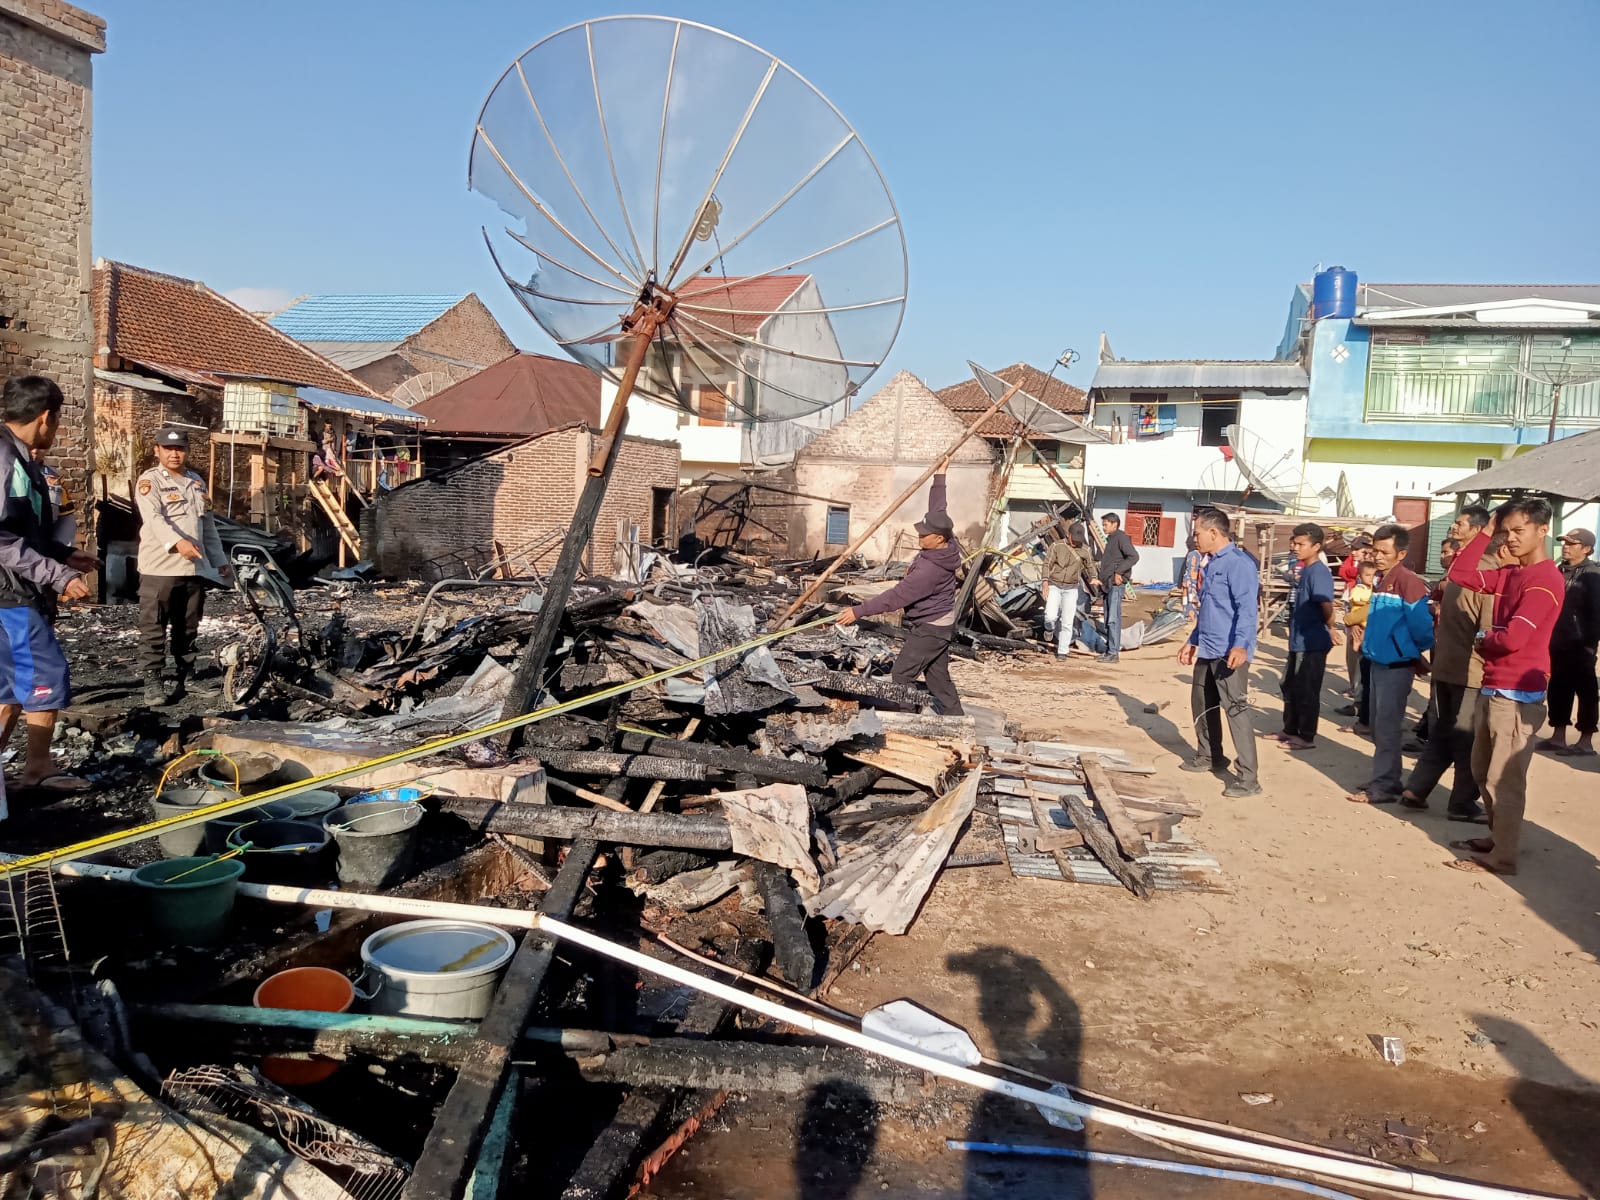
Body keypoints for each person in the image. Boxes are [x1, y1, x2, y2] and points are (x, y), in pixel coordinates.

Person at [1440, 499, 1564, 875]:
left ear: (1542, 530)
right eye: (1505, 531)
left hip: (1516, 693)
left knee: (1503, 779)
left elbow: (1514, 639)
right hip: (1494, 687)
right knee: (1482, 771)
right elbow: (1460, 574)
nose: (1509, 539)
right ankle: (1498, 838)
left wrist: (1484, 637)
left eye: (1518, 531)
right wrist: (1486, 533)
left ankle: (1504, 856)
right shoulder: (1511, 575)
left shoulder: (1544, 579)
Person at [0, 376, 97, 811]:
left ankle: (32, 765)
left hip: (16, 590)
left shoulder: (18, 460)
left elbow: (25, 531)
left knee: (7, 685)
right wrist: (56, 575)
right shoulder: (5, 462)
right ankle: (37, 766)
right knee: (44, 675)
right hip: (12, 594)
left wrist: (65, 553)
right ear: (46, 418)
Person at [837, 459, 963, 715]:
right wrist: (940, 476)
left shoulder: (929, 571)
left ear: (938, 538)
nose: (919, 536)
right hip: (940, 623)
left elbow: (897, 597)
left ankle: (907, 718)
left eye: (923, 535)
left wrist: (858, 611)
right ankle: (956, 718)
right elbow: (938, 508)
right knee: (938, 678)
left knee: (901, 674)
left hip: (931, 627)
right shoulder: (946, 542)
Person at [1399, 518, 1496, 820]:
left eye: (1461, 523)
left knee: (1442, 733)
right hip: (1470, 671)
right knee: (1468, 739)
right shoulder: (1487, 574)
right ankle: (1462, 802)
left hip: (1446, 666)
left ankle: (1417, 788)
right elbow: (1489, 632)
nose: (1454, 527)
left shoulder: (1458, 571)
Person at [135, 425, 230, 707]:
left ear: (186, 451)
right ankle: (153, 681)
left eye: (179, 449)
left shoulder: (196, 482)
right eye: (168, 449)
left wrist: (220, 560)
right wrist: (177, 543)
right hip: (160, 567)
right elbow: (153, 519)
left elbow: (208, 526)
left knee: (188, 626)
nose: (174, 454)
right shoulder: (149, 482)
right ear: (157, 451)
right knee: (154, 626)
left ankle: (185, 676)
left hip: (194, 568)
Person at [1346, 524, 1433, 806]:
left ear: (1401, 553)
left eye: (1384, 551)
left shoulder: (1409, 583)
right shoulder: (1383, 580)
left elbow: (1422, 629)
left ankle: (1385, 786)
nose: (1378, 556)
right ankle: (1385, 778)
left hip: (1395, 665)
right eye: (1375, 550)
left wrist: (1405, 649)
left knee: (1387, 728)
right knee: (1378, 725)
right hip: (1378, 662)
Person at [1178, 508, 1260, 797]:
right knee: (1202, 703)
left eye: (1197, 533)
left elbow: (1248, 609)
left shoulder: (1239, 564)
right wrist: (1192, 639)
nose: (1195, 538)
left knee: (1235, 710)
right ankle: (1210, 755)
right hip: (1208, 647)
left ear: (1213, 532)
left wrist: (1240, 645)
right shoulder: (1209, 563)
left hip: (1229, 651)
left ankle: (1248, 778)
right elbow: (1210, 608)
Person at [1276, 523, 1341, 750]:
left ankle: (1306, 735)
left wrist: (1330, 626)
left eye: (1300, 544)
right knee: (1290, 685)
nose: (1295, 547)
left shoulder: (1319, 572)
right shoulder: (1305, 569)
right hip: (1299, 640)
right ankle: (1289, 729)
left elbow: (1327, 604)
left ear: (1316, 546)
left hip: (1312, 641)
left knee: (1307, 689)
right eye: (1293, 543)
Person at [1539, 529, 1600, 757]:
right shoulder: (1560, 571)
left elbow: (1596, 612)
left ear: (1586, 549)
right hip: (1557, 640)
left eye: (1573, 543)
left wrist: (1589, 643)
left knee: (1586, 691)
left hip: (1581, 643)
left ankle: (1585, 741)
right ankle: (1558, 737)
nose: (1566, 546)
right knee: (1558, 687)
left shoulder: (1593, 575)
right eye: (1565, 542)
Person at [1041, 522, 1094, 657]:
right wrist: (1045, 582)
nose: (1076, 543)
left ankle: (1062, 651)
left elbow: (1090, 566)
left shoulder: (1085, 550)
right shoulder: (1056, 546)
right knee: (1050, 616)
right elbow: (1047, 564)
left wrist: (1093, 577)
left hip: (1071, 589)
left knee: (1067, 621)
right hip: (1055, 586)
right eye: (1074, 540)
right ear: (1068, 535)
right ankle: (1049, 629)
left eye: (1079, 541)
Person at [1095, 512, 1140, 663]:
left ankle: (1113, 653)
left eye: (1106, 524)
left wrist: (1119, 572)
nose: (1103, 527)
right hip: (1107, 584)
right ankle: (1110, 650)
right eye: (1103, 524)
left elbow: (1134, 556)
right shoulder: (1111, 540)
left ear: (1115, 524)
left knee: (1113, 619)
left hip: (1115, 585)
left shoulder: (1121, 538)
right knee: (1108, 618)